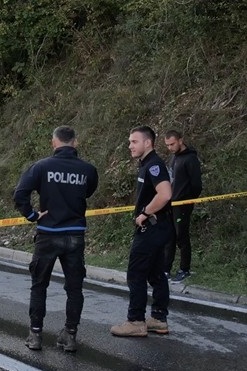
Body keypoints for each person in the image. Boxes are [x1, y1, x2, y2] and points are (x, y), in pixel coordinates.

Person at [13, 126, 99, 353]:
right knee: (75, 288)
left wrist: (31, 215)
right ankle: (70, 336)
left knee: (39, 285)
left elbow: (20, 193)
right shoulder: (88, 170)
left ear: (53, 143)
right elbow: (88, 192)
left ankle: (35, 334)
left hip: (48, 235)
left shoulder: (41, 167)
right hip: (75, 235)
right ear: (75, 143)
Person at [110, 126, 173, 338]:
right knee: (155, 273)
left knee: (136, 273)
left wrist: (145, 212)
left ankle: (136, 321)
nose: (130, 146)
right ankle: (158, 319)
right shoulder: (147, 164)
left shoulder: (154, 165)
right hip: (158, 228)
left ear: (148, 143)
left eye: (134, 142)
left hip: (151, 228)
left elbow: (165, 194)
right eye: (130, 142)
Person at [163, 130, 202, 283]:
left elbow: (196, 184)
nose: (170, 148)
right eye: (167, 145)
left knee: (182, 236)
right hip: (170, 203)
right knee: (169, 236)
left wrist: (188, 200)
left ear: (181, 140)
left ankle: (184, 269)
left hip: (183, 204)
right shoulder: (173, 158)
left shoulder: (191, 159)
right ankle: (166, 269)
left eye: (172, 144)